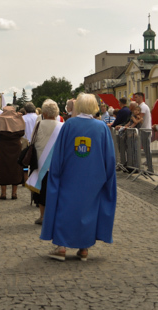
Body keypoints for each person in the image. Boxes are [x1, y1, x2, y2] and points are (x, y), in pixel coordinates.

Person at [40, 93, 116, 262]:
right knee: (88, 211)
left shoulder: (69, 125)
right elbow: (109, 157)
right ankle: (84, 249)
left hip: (69, 176)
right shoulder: (102, 127)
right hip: (94, 178)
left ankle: (61, 247)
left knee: (65, 209)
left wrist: (55, 173)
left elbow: (58, 153)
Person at [25, 99, 63, 225]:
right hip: (57, 164)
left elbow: (32, 141)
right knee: (56, 190)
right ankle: (55, 216)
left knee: (42, 191)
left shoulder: (38, 124)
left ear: (44, 113)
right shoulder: (62, 126)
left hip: (41, 163)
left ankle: (42, 216)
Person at [0, 106, 25, 200]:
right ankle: (14, 193)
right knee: (15, 168)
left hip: (3, 147)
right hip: (15, 146)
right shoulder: (18, 119)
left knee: (3, 168)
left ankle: (3, 193)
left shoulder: (0, 119)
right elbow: (22, 132)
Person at [134, 92, 153, 172]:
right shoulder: (140, 106)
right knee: (145, 150)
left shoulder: (143, 107)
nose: (135, 99)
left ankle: (150, 168)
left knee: (147, 150)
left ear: (141, 97)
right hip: (143, 130)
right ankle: (149, 167)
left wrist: (133, 122)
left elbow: (138, 120)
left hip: (145, 130)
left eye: (137, 97)